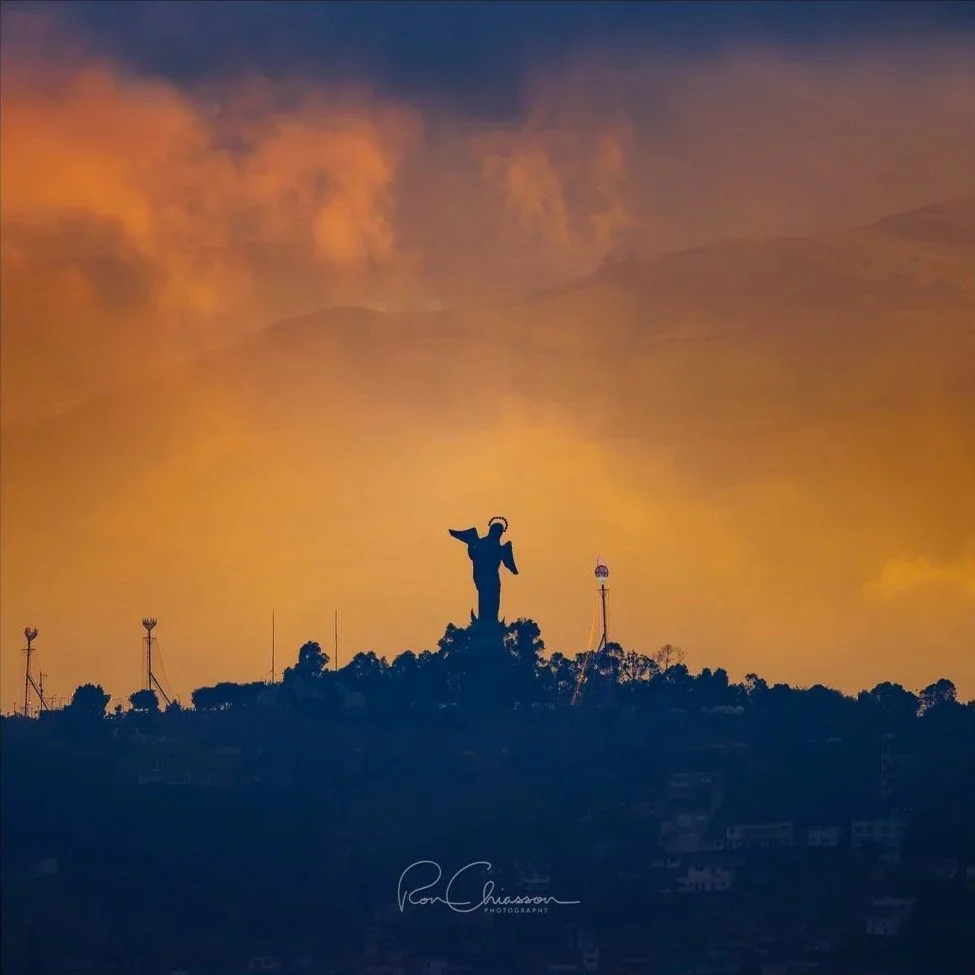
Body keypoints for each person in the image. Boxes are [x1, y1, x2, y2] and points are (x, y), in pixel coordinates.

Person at [448, 517, 518, 625]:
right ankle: (485, 620)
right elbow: (474, 555)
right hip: (486, 577)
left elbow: (474, 555)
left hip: (491, 578)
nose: (498, 534)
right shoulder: (485, 544)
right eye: (497, 531)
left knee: (493, 599)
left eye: (500, 532)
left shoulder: (497, 546)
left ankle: (491, 620)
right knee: (486, 598)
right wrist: (471, 545)